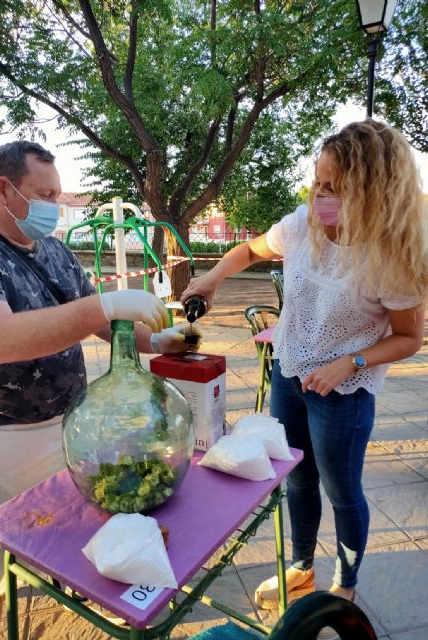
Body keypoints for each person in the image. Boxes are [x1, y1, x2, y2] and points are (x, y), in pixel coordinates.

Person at [0, 141, 199, 640]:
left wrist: (160, 340)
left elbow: (109, 326)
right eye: (45, 194)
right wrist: (102, 307)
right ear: (5, 189)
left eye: (57, 196)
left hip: (70, 426)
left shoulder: (54, 251)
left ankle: (97, 600)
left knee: (78, 524)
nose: (54, 207)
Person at [181, 119, 427, 608]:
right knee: (296, 478)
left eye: (334, 187)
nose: (320, 195)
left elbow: (407, 338)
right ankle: (300, 570)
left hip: (344, 394)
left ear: (373, 190)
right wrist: (212, 278)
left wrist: (349, 362)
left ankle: (346, 585)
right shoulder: (301, 227)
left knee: (342, 491)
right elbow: (251, 250)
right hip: (289, 374)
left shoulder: (392, 257)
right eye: (318, 182)